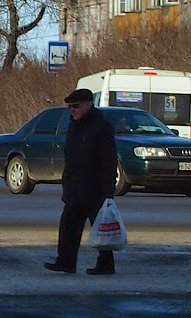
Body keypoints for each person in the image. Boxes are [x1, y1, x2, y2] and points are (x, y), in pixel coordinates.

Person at [44, 88, 117, 275]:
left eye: (75, 106)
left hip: (95, 188)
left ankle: (106, 264)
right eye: (69, 107)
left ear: (88, 105)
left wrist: (108, 192)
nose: (72, 110)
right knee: (68, 226)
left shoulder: (101, 127)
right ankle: (66, 262)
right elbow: (71, 156)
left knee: (101, 228)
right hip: (75, 186)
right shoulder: (74, 125)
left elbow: (109, 160)